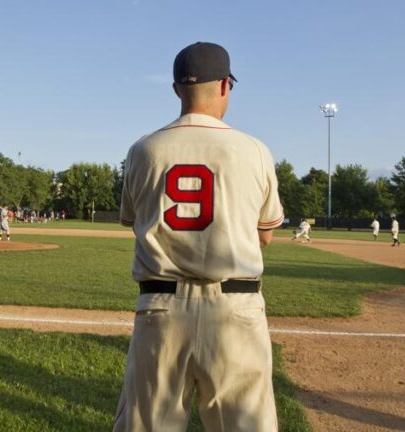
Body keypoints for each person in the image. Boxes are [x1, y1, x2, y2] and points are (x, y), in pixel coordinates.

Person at [113, 42, 283, 431]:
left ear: (176, 89)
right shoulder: (254, 150)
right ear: (225, 85)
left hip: (159, 309)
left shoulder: (142, 150)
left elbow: (134, 222)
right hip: (235, 311)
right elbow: (266, 235)